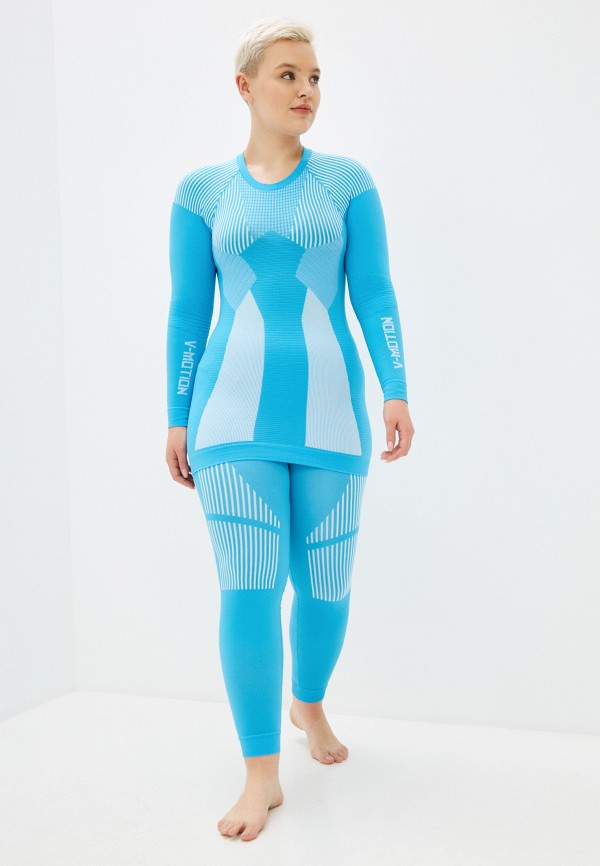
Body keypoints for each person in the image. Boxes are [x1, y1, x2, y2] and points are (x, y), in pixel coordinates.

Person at [165, 16, 414, 843]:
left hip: (332, 415)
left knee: (326, 590)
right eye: (288, 75)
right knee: (248, 588)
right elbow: (188, 310)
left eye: (314, 77)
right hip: (227, 421)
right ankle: (260, 773)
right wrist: (175, 413)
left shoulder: (346, 183)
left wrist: (396, 390)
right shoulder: (202, 193)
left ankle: (308, 701)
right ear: (245, 87)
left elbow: (374, 291)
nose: (306, 89)